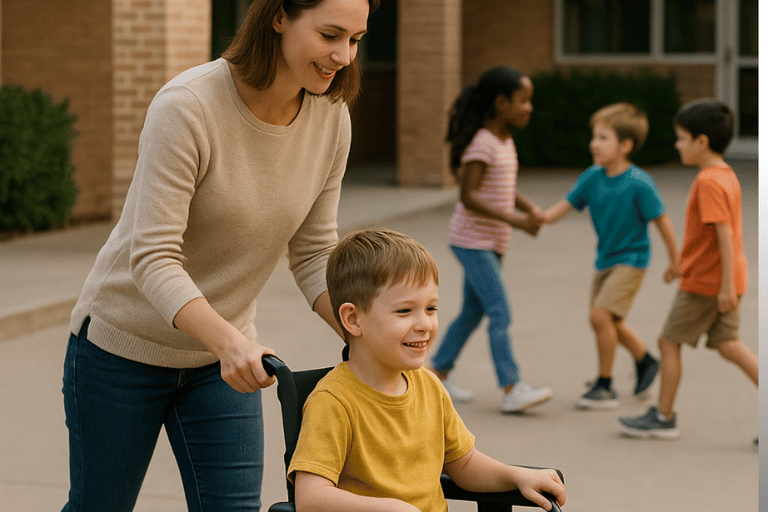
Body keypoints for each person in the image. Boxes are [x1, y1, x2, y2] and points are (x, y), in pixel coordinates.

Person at [60, 0, 378, 510]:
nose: (343, 55)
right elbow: (154, 258)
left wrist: (366, 336)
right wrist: (229, 342)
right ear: (278, 16)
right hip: (123, 351)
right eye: (330, 35)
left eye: (356, 40)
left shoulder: (331, 117)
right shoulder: (188, 105)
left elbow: (316, 250)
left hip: (222, 362)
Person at [288, 228, 566, 512]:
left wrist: (515, 475)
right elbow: (311, 498)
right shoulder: (333, 402)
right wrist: (392, 509)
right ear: (353, 319)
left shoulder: (428, 385)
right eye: (405, 311)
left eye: (431, 308)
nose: (424, 324)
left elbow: (465, 464)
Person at [616, 99, 757, 440]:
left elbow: (723, 234)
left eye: (681, 138)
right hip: (725, 277)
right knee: (728, 345)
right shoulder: (726, 174)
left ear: (701, 142)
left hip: (709, 284)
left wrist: (721, 287)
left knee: (668, 342)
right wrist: (682, 264)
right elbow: (713, 238)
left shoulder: (709, 181)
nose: (677, 144)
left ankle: (663, 418)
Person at [428, 66, 553, 413]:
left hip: (491, 242)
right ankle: (511, 387)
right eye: (523, 101)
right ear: (501, 103)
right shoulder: (483, 142)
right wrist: (517, 221)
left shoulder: (504, 141)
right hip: (472, 242)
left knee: (473, 311)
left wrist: (529, 208)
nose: (529, 107)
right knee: (499, 311)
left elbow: (504, 187)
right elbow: (469, 195)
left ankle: (438, 372)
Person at [541, 103, 678, 410]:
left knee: (600, 316)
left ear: (625, 145)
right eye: (594, 137)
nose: (594, 143)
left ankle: (605, 385)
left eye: (603, 137)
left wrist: (675, 259)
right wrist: (537, 218)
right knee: (608, 321)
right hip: (605, 260)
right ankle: (645, 360)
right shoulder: (592, 177)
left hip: (633, 259)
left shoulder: (639, 182)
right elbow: (564, 205)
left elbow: (662, 219)